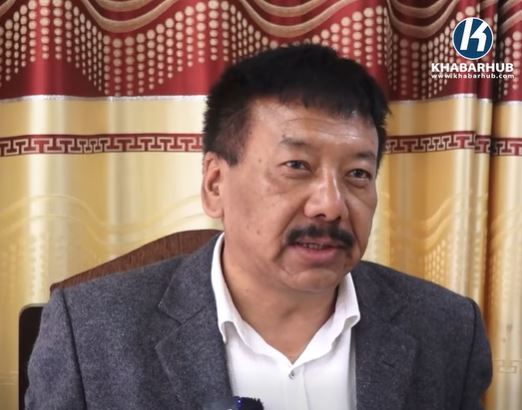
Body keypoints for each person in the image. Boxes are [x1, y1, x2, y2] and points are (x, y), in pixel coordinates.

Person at [26, 44, 492, 410]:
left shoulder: (448, 331)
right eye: (297, 166)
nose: (331, 206)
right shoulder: (90, 335)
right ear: (215, 184)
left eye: (357, 174)